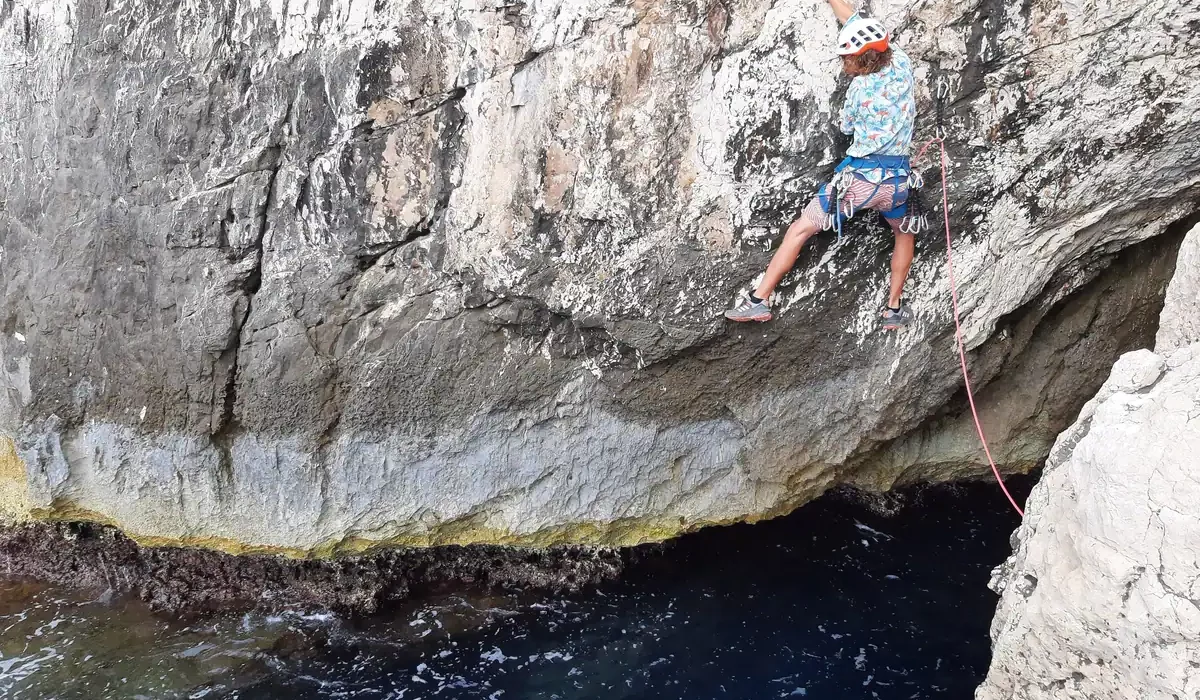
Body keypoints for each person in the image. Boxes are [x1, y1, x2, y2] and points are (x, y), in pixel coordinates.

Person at [725, 0, 918, 330]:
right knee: (904, 235)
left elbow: (847, 127)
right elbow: (855, 21)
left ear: (864, 59)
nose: (844, 63)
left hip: (859, 183)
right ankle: (894, 309)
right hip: (897, 184)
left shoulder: (859, 89)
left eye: (848, 58)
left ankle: (759, 300)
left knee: (801, 229)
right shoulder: (900, 62)